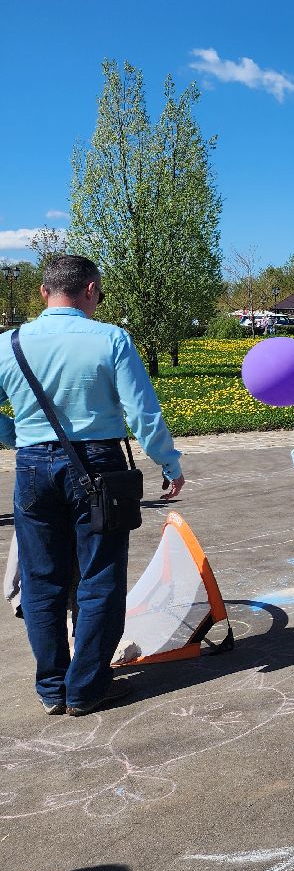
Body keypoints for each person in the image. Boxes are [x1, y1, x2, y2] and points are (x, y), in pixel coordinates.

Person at [0, 255, 185, 716]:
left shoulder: (8, 344)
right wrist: (167, 461)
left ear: (44, 293)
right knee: (100, 576)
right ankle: (86, 686)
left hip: (31, 467)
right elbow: (143, 413)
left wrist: (14, 436)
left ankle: (51, 687)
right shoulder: (111, 338)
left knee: (42, 580)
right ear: (90, 289)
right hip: (99, 464)